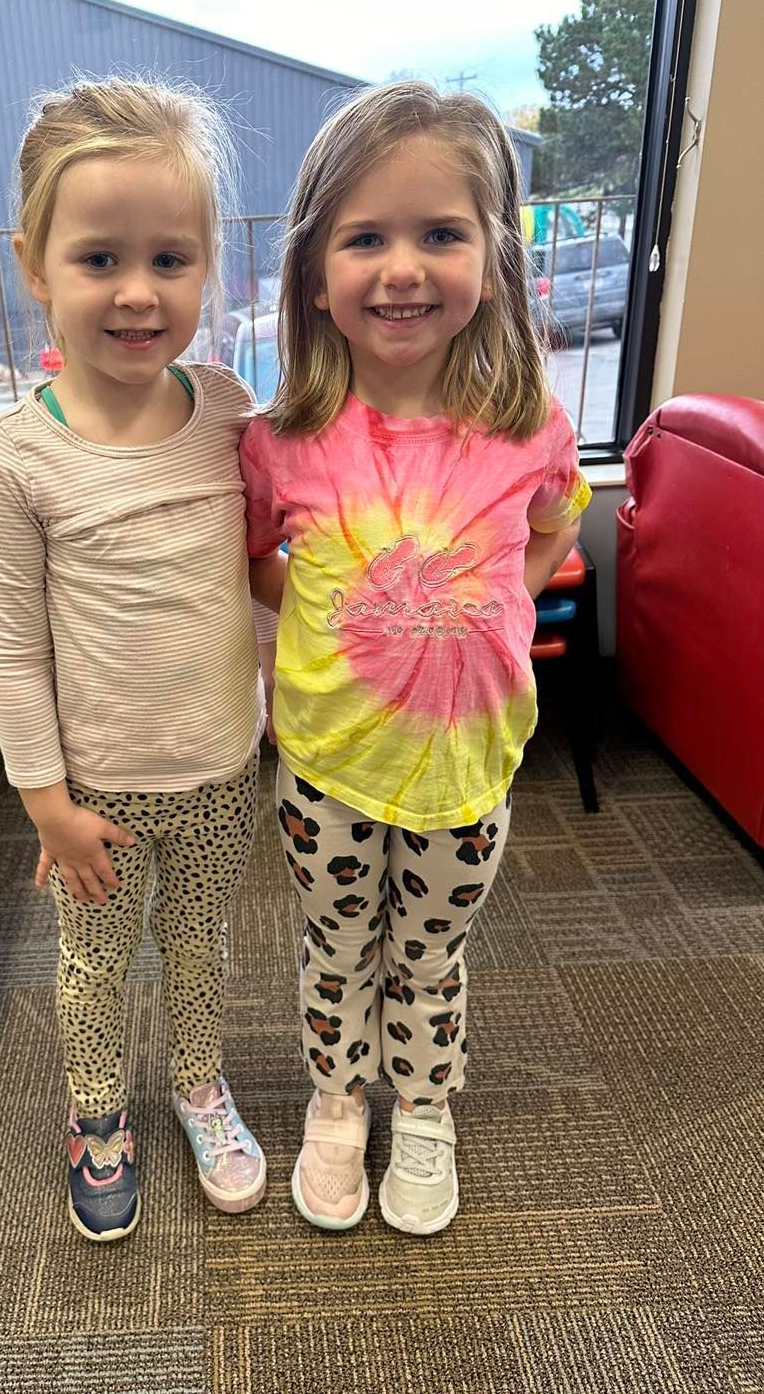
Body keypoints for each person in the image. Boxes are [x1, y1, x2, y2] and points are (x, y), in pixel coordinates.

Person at [241, 81, 590, 1234]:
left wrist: (500, 599)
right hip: (327, 765)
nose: (403, 268)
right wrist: (338, 622)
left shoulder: (529, 424)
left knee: (432, 953)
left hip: (467, 767)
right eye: (365, 239)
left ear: (492, 257)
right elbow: (256, 562)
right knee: (337, 947)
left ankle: (426, 1106)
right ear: (313, 273)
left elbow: (555, 522)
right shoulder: (282, 441)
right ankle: (339, 1101)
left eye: (440, 233)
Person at [0, 78, 275, 1243]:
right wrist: (45, 801)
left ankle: (198, 1085)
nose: (139, 291)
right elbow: (13, 648)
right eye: (99, 258)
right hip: (96, 789)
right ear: (35, 266)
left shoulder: (229, 410)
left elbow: (260, 574)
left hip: (220, 769)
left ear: (207, 268)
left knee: (201, 944)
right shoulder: (12, 462)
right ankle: (96, 1115)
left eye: (170, 259)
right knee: (94, 963)